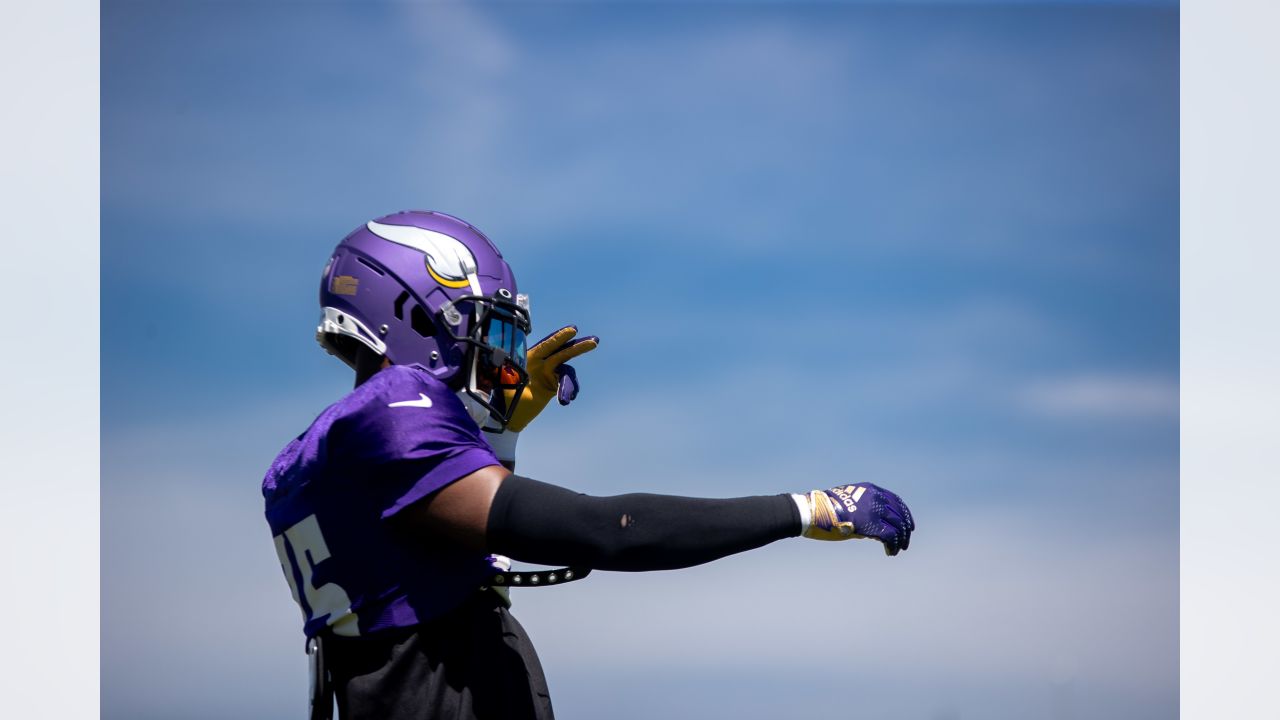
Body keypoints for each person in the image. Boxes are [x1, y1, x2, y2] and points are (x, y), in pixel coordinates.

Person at [263, 210, 916, 720]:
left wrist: (503, 430)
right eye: (480, 327)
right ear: (409, 312)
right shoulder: (393, 412)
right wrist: (804, 510)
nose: (495, 353)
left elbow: (447, 572)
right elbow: (607, 529)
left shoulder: (322, 450)